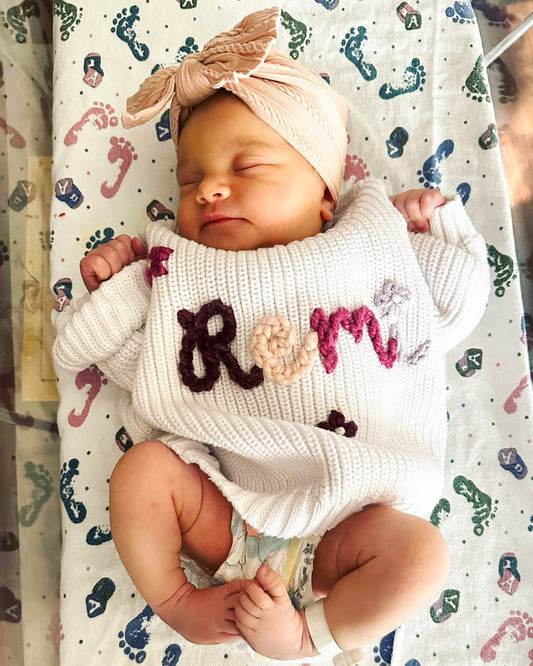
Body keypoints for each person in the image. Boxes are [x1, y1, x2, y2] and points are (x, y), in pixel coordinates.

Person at [53, 7, 489, 663]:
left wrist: (433, 230)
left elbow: (450, 307)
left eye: (246, 167)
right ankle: (180, 602)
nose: (209, 190)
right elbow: (139, 368)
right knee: (142, 472)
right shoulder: (180, 268)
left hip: (353, 523)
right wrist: (111, 287)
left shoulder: (367, 248)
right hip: (228, 511)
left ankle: (308, 635)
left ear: (324, 194)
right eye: (190, 179)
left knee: (423, 556)